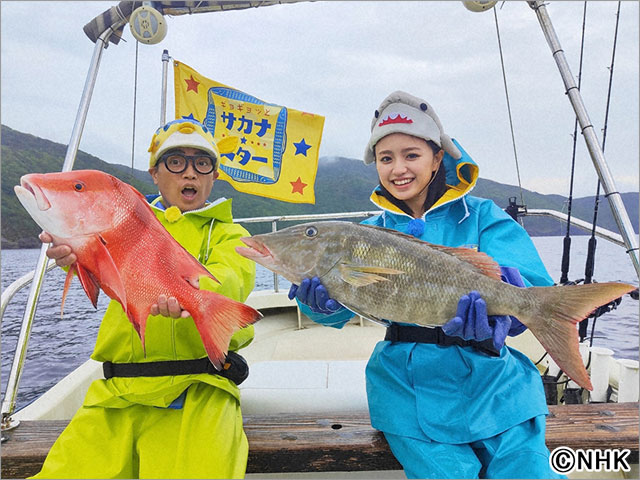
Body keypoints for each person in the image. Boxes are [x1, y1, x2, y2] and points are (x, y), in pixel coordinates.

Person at [289, 91, 563, 479]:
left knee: (528, 471)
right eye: (386, 159)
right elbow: (334, 317)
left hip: (495, 384)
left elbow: (533, 284)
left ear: (438, 158)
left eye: (411, 155)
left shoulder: (483, 215)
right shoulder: (367, 234)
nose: (398, 168)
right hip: (406, 388)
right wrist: (323, 304)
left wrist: (510, 313)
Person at [34, 118, 256, 479]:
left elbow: (231, 277)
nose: (190, 174)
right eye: (175, 162)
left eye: (202, 163)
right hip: (116, 392)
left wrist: (194, 298)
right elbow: (107, 265)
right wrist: (73, 257)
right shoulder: (123, 218)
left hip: (200, 388)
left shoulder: (231, 234)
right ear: (154, 172)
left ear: (214, 175)